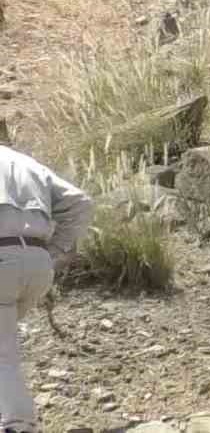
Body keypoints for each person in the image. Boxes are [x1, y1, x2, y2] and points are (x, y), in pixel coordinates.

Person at [0, 146, 92, 433]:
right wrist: (54, 250)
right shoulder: (23, 161)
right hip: (38, 263)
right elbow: (81, 202)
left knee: (3, 352)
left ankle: (18, 424)